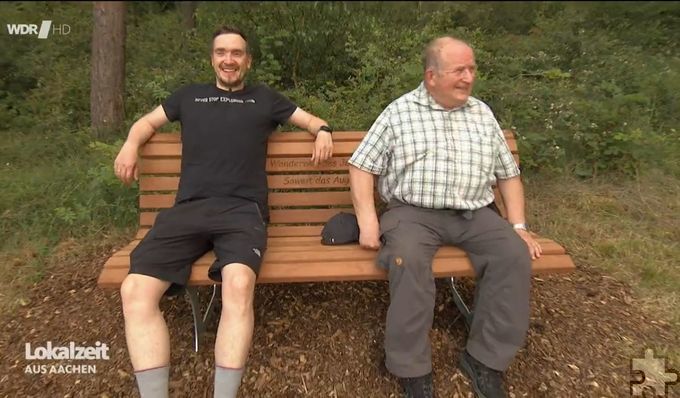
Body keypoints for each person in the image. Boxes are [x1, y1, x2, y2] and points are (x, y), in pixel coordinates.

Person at [113, 26, 334, 398]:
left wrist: (324, 129)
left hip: (242, 212)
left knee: (238, 284)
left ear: (247, 61)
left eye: (236, 53)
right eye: (221, 52)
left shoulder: (265, 99)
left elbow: (310, 120)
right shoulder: (189, 97)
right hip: (188, 210)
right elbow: (148, 122)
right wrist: (130, 144)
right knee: (134, 290)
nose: (228, 60)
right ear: (212, 59)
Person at [348, 36, 542, 398]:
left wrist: (518, 227)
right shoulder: (399, 112)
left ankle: (484, 359)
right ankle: (410, 368)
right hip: (412, 214)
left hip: (475, 213)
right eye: (459, 70)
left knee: (513, 256)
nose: (469, 77)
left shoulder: (482, 113)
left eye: (472, 69)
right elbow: (361, 166)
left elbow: (508, 174)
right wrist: (368, 221)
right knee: (407, 260)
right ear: (432, 75)